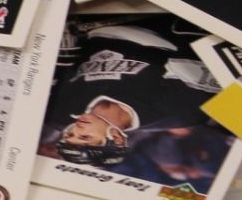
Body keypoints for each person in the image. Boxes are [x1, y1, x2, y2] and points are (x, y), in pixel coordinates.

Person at [47, 20, 221, 168]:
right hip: (153, 18)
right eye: (85, 137)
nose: (76, 129)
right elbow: (205, 50)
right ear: (116, 138)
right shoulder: (182, 110)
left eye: (69, 135)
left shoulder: (58, 114)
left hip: (85, 21)